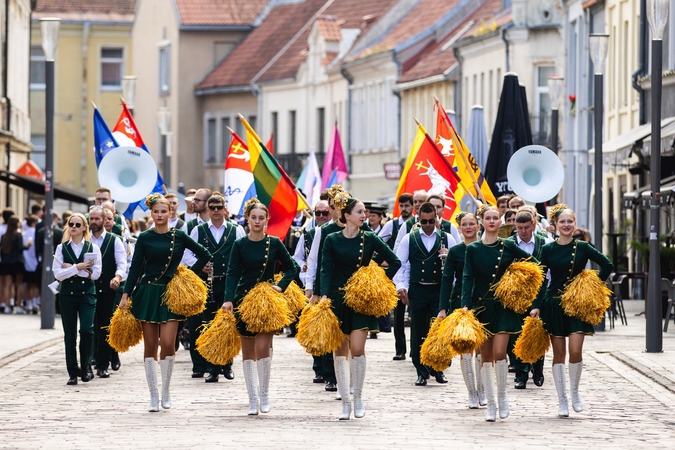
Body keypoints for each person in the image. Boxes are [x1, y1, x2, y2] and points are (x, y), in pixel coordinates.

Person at [119, 194, 211, 412]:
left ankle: (166, 390)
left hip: (170, 294)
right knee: (150, 346)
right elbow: (136, 268)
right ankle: (153, 395)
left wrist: (186, 276)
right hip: (148, 293)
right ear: (151, 213)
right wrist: (126, 293)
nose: (160, 215)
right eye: (156, 212)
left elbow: (205, 254)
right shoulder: (144, 237)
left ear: (171, 213)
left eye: (164, 211)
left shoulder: (179, 235)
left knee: (168, 343)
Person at [318, 196, 401, 420]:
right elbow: (325, 269)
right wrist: (324, 295)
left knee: (357, 349)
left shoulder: (370, 238)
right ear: (347, 216)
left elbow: (395, 261)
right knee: (340, 352)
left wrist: (377, 282)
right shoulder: (332, 239)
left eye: (364, 212)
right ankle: (345, 402)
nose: (364, 215)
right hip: (337, 299)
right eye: (360, 212)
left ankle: (358, 398)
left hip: (361, 302)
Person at [530, 208, 613, 417]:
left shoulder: (583, 247)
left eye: (570, 221)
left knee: (576, 351)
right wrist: (537, 305)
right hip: (555, 305)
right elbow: (540, 279)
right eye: (562, 222)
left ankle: (575, 392)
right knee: (559, 354)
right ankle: (563, 400)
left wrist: (591, 287)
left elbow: (607, 265)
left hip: (577, 306)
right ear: (556, 225)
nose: (566, 225)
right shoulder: (548, 249)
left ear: (574, 223)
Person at [461, 205, 539, 422]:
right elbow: (467, 277)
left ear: (502, 222)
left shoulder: (508, 246)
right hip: (481, 307)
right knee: (485, 357)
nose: (492, 221)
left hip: (503, 307)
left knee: (499, 353)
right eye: (488, 218)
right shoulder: (473, 249)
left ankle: (503, 398)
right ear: (482, 222)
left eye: (496, 218)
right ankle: (491, 405)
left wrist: (516, 281)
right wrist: (465, 305)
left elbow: (533, 265)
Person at [222, 199, 299, 415]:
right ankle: (252, 398)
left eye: (261, 218)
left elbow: (292, 268)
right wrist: (228, 299)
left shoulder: (274, 243)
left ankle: (264, 394)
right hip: (244, 301)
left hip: (266, 302)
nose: (257, 221)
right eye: (253, 217)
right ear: (247, 219)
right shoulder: (239, 245)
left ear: (267, 220)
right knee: (247, 352)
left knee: (263, 348)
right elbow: (232, 273)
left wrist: (280, 286)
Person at [183, 194, 245, 382]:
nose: (216, 211)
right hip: (207, 284)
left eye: (219, 207)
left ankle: (227, 364)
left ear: (225, 208)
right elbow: (186, 253)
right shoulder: (198, 230)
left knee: (227, 325)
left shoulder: (237, 229)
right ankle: (212, 368)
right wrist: (199, 264)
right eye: (213, 207)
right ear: (208, 210)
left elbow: (243, 255)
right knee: (208, 325)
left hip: (228, 284)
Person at [394, 202, 455, 386]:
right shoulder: (409, 238)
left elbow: (457, 264)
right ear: (418, 219)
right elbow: (400, 264)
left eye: (431, 221)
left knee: (438, 330)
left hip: (439, 290)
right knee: (418, 330)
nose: (428, 225)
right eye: (424, 221)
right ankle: (421, 371)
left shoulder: (447, 238)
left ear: (437, 219)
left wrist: (449, 255)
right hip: (418, 289)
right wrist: (401, 287)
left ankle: (439, 368)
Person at [438, 211, 486, 409]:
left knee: (482, 350)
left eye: (471, 224)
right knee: (465, 350)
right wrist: (442, 308)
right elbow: (447, 280)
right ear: (460, 228)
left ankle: (483, 389)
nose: (468, 227)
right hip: (460, 303)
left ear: (478, 226)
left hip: (483, 302)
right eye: (464, 224)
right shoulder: (456, 251)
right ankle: (471, 393)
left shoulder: (485, 247)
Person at [52, 213, 102, 385]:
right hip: (67, 296)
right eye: (71, 224)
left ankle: (86, 366)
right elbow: (57, 273)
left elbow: (96, 274)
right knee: (70, 334)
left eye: (77, 224)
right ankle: (73, 372)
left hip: (87, 295)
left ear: (84, 227)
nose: (74, 227)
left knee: (87, 330)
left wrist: (72, 269)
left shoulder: (93, 248)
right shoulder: (61, 248)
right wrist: (79, 268)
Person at [292, 200, 335, 390]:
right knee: (317, 330)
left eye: (325, 213)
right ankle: (320, 368)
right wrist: (304, 272)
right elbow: (298, 256)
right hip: (314, 287)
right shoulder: (308, 234)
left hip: (332, 286)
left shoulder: (336, 232)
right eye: (318, 213)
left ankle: (333, 369)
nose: (321, 217)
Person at [507, 210, 552, 389]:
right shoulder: (509, 244)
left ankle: (538, 369)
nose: (523, 231)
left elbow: (549, 272)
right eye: (519, 228)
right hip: (516, 294)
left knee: (537, 332)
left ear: (533, 225)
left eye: (526, 227)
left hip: (539, 292)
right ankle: (521, 374)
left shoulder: (545, 242)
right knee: (517, 334)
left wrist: (541, 300)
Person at [88, 207, 127, 378]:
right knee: (88, 329)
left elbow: (122, 263)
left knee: (104, 327)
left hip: (107, 290)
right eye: (91, 219)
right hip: (87, 290)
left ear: (104, 220)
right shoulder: (84, 239)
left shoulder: (115, 240)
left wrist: (117, 277)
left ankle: (103, 364)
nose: (94, 222)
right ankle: (88, 363)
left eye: (97, 219)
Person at [378, 193, 413, 361]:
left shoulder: (418, 224)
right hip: (396, 275)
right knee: (398, 315)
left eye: (407, 205)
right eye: (402, 205)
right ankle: (400, 349)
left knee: (415, 314)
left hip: (413, 274)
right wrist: (384, 260)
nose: (404, 209)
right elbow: (377, 243)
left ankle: (416, 348)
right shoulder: (392, 225)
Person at [1, 217, 31, 313]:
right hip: (17, 262)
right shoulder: (18, 235)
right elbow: (20, 247)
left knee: (7, 285)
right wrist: (28, 245)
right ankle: (18, 305)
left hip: (6, 262)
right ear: (16, 224)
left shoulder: (4, 236)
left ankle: (7, 306)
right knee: (19, 284)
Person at [22, 216, 39, 314]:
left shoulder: (23, 234)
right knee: (35, 285)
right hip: (36, 261)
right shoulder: (36, 232)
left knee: (28, 285)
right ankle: (35, 303)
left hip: (26, 261)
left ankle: (28, 304)